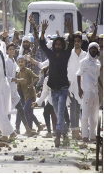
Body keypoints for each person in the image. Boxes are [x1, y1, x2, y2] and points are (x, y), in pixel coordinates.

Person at [39, 18, 74, 147]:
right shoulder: (51, 54)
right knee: (57, 111)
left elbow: (71, 43)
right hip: (53, 88)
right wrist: (42, 31)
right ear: (54, 46)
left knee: (59, 112)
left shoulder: (66, 54)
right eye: (56, 44)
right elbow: (42, 44)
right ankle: (65, 134)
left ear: (62, 46)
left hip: (64, 87)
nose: (58, 46)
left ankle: (58, 135)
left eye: (60, 44)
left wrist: (70, 30)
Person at [5, 42, 35, 137]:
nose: (12, 51)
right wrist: (18, 80)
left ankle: (27, 129)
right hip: (7, 89)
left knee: (20, 110)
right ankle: (5, 131)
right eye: (10, 49)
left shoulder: (14, 61)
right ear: (7, 51)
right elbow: (5, 76)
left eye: (13, 49)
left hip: (14, 89)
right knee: (6, 111)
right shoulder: (6, 61)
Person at [77, 42, 101, 142]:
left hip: (95, 92)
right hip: (87, 91)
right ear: (89, 50)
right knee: (85, 115)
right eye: (91, 49)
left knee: (94, 116)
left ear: (97, 50)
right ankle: (85, 136)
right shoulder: (84, 62)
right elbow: (78, 75)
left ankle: (92, 136)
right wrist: (79, 89)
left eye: (95, 49)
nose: (93, 50)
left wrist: (102, 87)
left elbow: (98, 77)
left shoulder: (98, 63)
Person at [67, 32, 87, 140]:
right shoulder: (69, 53)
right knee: (73, 108)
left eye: (78, 41)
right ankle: (74, 131)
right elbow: (66, 69)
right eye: (75, 41)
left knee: (80, 108)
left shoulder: (85, 55)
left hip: (82, 84)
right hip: (71, 84)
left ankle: (80, 130)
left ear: (81, 42)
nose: (76, 43)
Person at [16, 55, 42, 132]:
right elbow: (19, 86)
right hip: (25, 96)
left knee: (25, 110)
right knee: (29, 112)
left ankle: (37, 126)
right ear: (17, 63)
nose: (21, 63)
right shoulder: (18, 74)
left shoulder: (28, 70)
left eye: (22, 61)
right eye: (19, 62)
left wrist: (32, 84)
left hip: (31, 94)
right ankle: (34, 128)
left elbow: (37, 77)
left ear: (25, 62)